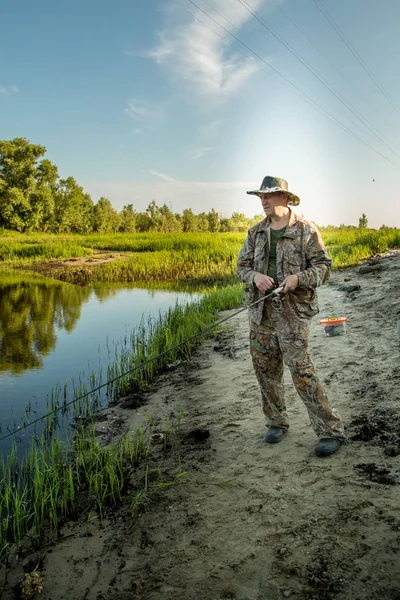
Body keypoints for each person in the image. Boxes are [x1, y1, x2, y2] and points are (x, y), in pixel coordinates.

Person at [237, 176, 345, 456]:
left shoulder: (306, 231)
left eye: (269, 196)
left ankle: (330, 431)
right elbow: (241, 267)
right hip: (260, 314)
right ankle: (276, 422)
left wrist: (299, 278)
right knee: (265, 370)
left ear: (285, 198)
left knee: (302, 371)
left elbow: (324, 267)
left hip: (293, 314)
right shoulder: (255, 232)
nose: (263, 201)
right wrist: (255, 277)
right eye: (261, 196)